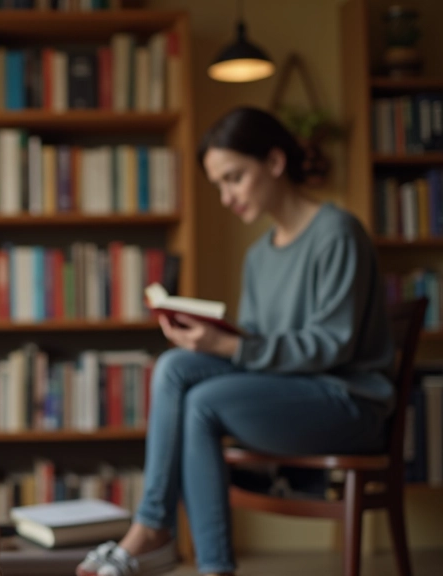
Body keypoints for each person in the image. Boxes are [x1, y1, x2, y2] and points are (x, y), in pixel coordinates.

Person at [76, 107, 395, 576]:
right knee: (175, 366)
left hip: (347, 402)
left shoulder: (337, 233)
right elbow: (258, 347)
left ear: (275, 161)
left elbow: (333, 345)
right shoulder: (259, 255)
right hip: (290, 392)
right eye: (219, 185)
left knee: (203, 401)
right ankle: (155, 526)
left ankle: (201, 561)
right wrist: (211, 339)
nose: (226, 196)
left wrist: (230, 348)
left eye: (235, 178)